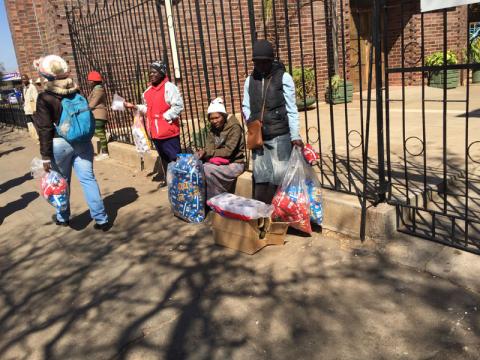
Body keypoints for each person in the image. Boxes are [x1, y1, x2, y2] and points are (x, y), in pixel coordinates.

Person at [33, 55, 109, 230]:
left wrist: (45, 156)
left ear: (47, 76)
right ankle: (101, 219)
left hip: (60, 143)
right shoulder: (75, 91)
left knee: (61, 181)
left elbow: (44, 129)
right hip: (82, 141)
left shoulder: (45, 97)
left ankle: (63, 217)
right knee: (88, 179)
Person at [242, 39, 304, 204]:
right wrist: (251, 122)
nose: (261, 65)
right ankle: (263, 213)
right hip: (258, 137)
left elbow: (292, 109)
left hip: (280, 135)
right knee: (261, 176)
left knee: (280, 175)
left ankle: (281, 214)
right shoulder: (250, 80)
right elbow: (245, 106)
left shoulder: (284, 78)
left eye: (264, 62)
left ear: (271, 60)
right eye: (257, 62)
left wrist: (295, 135)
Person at [124, 60, 184, 186]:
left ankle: (180, 182)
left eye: (154, 72)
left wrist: (164, 117)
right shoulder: (148, 92)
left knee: (174, 157)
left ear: (161, 73)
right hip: (155, 132)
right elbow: (148, 109)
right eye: (150, 73)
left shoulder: (169, 88)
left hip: (169, 132)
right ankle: (169, 180)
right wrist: (135, 106)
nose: (151, 75)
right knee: (163, 158)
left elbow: (178, 106)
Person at [197, 98, 245, 200]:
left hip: (235, 163)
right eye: (211, 119)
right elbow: (209, 147)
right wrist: (204, 153)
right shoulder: (213, 128)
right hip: (218, 162)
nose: (214, 121)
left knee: (207, 169)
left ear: (223, 115)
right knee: (197, 167)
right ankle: (203, 199)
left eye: (217, 118)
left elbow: (228, 151)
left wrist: (208, 152)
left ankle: (215, 199)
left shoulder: (234, 127)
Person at [87, 71, 109, 161]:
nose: (88, 82)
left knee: (99, 133)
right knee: (96, 132)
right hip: (96, 114)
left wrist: (84, 109)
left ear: (93, 81)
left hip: (98, 114)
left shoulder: (98, 89)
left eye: (89, 80)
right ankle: (106, 139)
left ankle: (105, 153)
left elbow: (92, 103)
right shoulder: (96, 89)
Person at [22, 74, 39, 142]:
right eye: (23, 79)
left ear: (28, 79)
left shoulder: (32, 87)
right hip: (27, 109)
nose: (24, 80)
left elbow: (36, 98)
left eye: (25, 79)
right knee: (32, 124)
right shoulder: (24, 88)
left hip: (33, 109)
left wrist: (35, 109)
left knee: (37, 123)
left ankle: (41, 137)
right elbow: (26, 99)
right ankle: (37, 137)